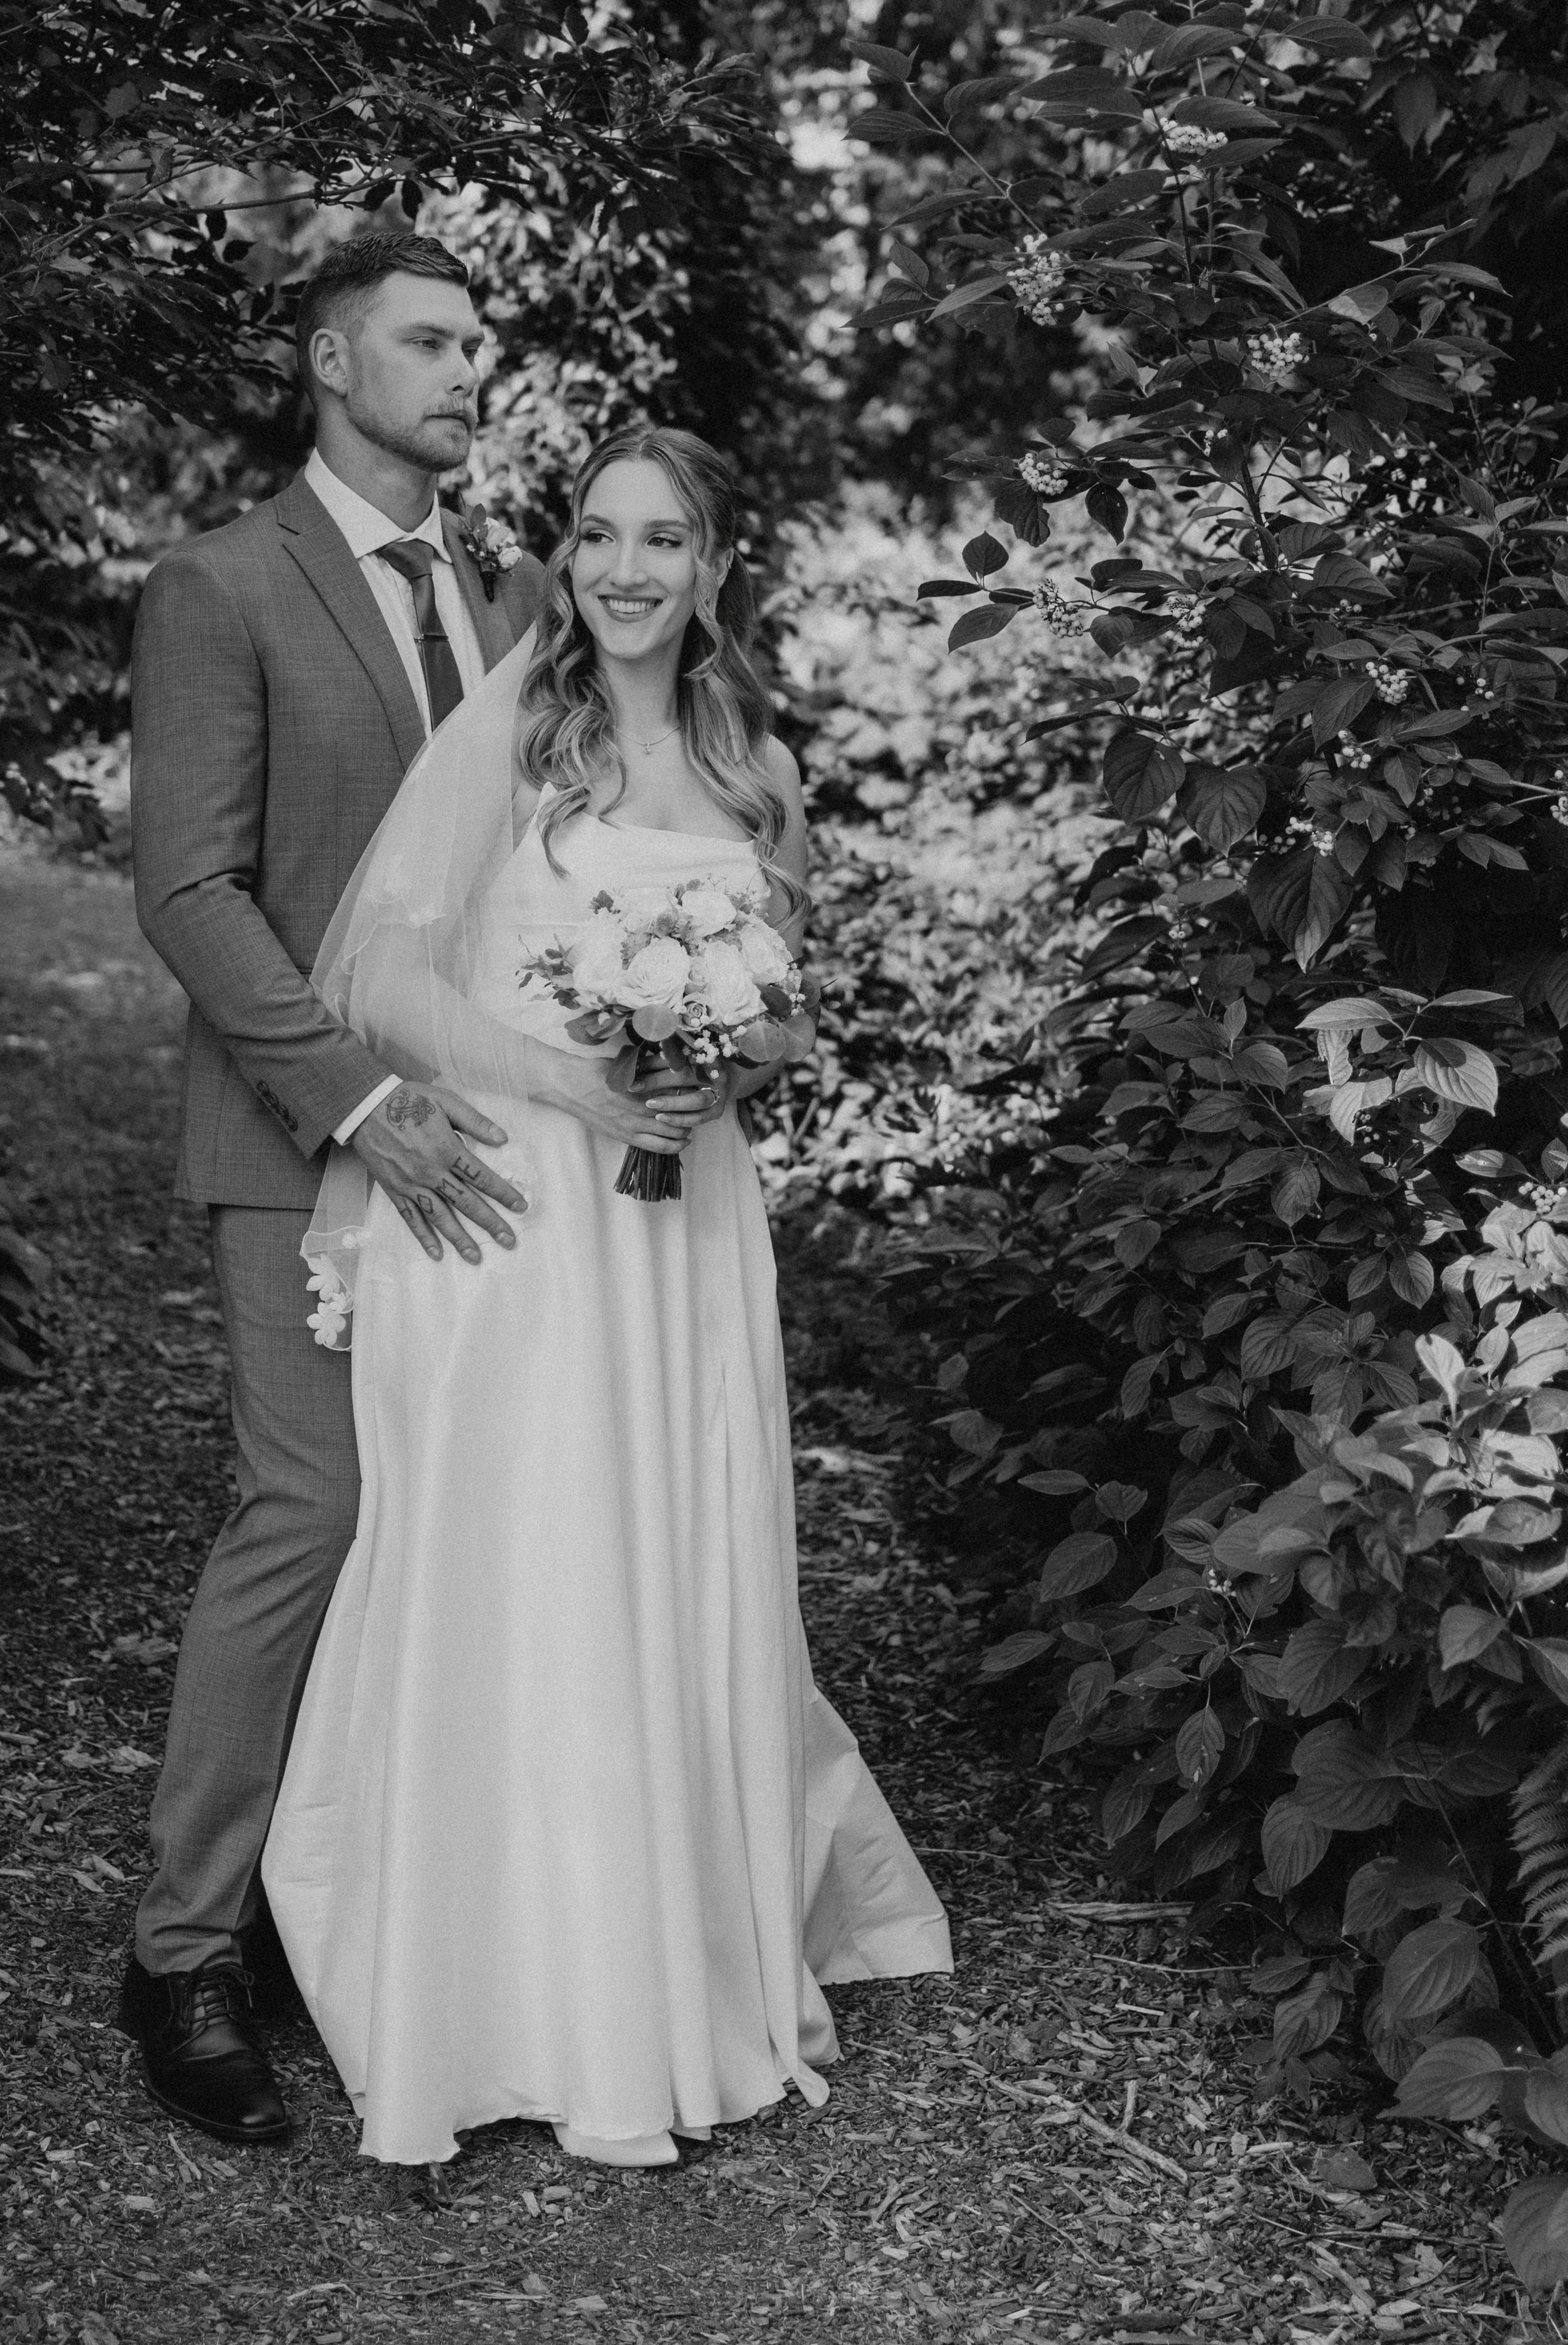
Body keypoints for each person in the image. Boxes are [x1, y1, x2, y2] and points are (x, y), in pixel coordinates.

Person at [261, 425, 951, 2171]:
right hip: (520, 1206)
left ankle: (658, 1971)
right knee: (526, 1559)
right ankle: (492, 1991)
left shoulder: (751, 763)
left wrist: (721, 1063)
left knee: (671, 1546)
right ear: (567, 559)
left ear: (713, 566)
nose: (626, 568)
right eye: (598, 535)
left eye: (663, 539)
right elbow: (385, 976)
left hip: (681, 1217)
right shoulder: (518, 736)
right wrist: (576, 1080)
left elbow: (787, 1006)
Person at [120, 227, 661, 2144]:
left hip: (499, 1149)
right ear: (330, 359)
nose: (468, 372)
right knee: (313, 1506)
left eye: (479, 343)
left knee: (463, 1519)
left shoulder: (516, 593)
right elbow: (190, 890)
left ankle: (367, 1906)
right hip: (303, 1137)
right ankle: (182, 1949)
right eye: (430, 341)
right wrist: (356, 1101)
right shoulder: (218, 585)